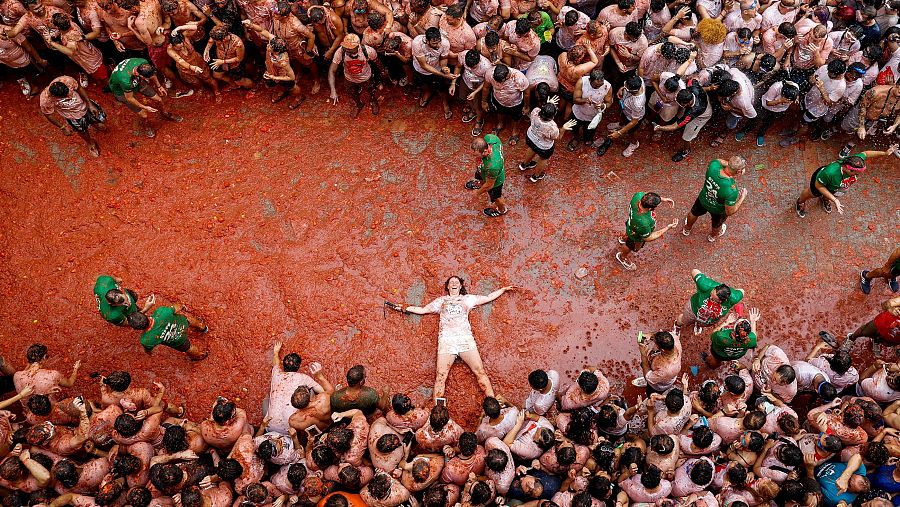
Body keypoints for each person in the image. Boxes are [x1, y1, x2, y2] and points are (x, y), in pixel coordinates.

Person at [390, 277, 517, 400]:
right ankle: (438, 412)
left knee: (480, 371)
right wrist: (403, 307)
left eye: (456, 282)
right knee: (440, 376)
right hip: (447, 341)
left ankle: (493, 405)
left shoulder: (468, 299)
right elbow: (423, 310)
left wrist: (503, 289)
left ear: (460, 286)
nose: (454, 283)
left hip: (465, 340)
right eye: (451, 282)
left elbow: (488, 297)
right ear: (448, 286)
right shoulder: (441, 301)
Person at [795, 145, 898, 217]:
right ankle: (800, 202)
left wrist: (885, 153)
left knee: (831, 194)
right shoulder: (829, 172)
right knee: (811, 193)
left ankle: (826, 199)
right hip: (821, 182)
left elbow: (866, 154)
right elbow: (819, 186)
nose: (857, 176)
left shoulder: (856, 161)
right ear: (846, 168)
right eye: (856, 173)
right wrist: (835, 200)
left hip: (837, 186)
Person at [107, 58, 182, 138]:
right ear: (140, 75)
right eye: (147, 78)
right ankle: (147, 126)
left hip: (138, 82)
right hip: (122, 92)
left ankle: (165, 113)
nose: (149, 79)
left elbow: (152, 75)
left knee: (159, 99)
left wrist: (159, 86)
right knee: (143, 114)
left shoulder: (143, 63)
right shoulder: (125, 79)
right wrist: (144, 107)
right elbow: (130, 98)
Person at [682, 156, 749, 242]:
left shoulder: (714, 165)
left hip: (703, 198)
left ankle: (687, 229)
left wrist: (732, 165)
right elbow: (730, 211)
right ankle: (712, 237)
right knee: (717, 224)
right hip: (718, 210)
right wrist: (742, 197)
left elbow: (720, 161)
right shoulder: (731, 190)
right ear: (739, 171)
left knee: (693, 213)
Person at [40, 76, 106, 157]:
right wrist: (62, 127)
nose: (69, 96)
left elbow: (79, 88)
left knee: (95, 117)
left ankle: (95, 124)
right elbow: (48, 115)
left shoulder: (67, 80)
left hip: (84, 105)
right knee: (81, 130)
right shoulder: (45, 99)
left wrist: (90, 104)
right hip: (72, 116)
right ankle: (90, 142)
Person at [615, 191, 679, 271]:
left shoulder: (638, 196)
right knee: (630, 246)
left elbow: (648, 197)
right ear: (650, 209)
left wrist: (664, 199)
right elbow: (648, 238)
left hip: (631, 224)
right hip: (636, 235)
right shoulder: (643, 223)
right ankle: (622, 257)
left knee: (629, 232)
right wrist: (667, 228)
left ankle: (623, 238)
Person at [517, 100, 576, 183]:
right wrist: (563, 128)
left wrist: (549, 103)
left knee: (532, 148)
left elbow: (537, 109)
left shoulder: (535, 111)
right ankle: (535, 176)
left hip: (531, 137)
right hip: (543, 147)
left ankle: (524, 165)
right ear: (552, 116)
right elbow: (557, 138)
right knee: (543, 158)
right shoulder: (552, 127)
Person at [127, 302, 209, 360]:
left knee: (188, 348)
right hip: (182, 323)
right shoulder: (161, 312)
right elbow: (177, 307)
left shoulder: (146, 340)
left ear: (136, 328)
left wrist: (149, 354)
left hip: (177, 340)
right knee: (190, 320)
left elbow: (148, 350)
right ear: (145, 316)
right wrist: (182, 306)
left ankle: (201, 355)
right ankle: (203, 328)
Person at [675, 269, 744, 335]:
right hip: (693, 309)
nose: (710, 297)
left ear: (722, 300)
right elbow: (694, 271)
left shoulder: (733, 298)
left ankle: (698, 325)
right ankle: (677, 326)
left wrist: (732, 292)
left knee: (702, 323)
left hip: (709, 319)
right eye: (711, 294)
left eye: (714, 299)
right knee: (683, 320)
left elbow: (742, 291)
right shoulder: (706, 285)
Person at [328, 33, 383, 116]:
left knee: (370, 91)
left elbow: (377, 63)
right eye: (346, 47)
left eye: (350, 48)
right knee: (352, 93)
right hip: (349, 79)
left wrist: (381, 75)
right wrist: (333, 90)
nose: (347, 49)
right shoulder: (340, 51)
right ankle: (358, 104)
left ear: (358, 46)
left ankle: (373, 101)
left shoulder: (368, 51)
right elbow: (332, 71)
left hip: (366, 78)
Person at [465, 134, 507, 217]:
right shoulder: (491, 138)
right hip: (483, 169)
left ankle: (501, 210)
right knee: (480, 177)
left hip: (495, 181)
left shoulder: (492, 166)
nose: (473, 157)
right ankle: (480, 184)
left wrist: (477, 193)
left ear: (485, 151)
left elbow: (489, 185)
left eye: (475, 155)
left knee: (497, 197)